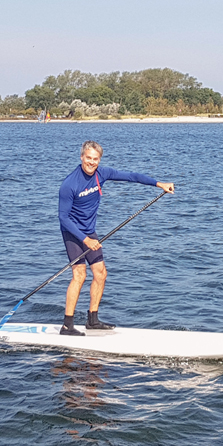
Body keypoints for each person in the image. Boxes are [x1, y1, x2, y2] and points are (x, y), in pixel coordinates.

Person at [57, 140, 174, 336]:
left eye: (95, 159)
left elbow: (131, 176)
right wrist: (85, 240)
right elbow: (63, 217)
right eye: (88, 158)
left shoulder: (102, 174)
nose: (91, 162)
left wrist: (158, 183)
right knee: (80, 275)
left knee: (101, 273)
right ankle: (67, 326)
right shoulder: (69, 184)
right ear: (81, 157)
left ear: (99, 160)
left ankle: (92, 320)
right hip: (72, 232)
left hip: (89, 231)